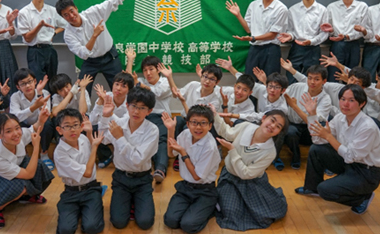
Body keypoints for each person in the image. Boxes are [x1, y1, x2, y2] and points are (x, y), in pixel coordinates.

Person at [296, 84, 380, 215]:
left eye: (351, 100)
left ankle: (361, 199)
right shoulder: (340, 118)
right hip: (348, 163)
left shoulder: (368, 127)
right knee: (316, 149)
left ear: (362, 104)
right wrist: (312, 114)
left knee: (325, 190)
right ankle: (312, 188)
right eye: (343, 99)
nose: (345, 104)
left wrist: (329, 136)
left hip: (366, 173)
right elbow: (318, 140)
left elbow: (350, 156)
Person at [55, 0, 147, 96]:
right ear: (63, 18)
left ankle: (123, 113)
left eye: (71, 11)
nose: (71, 16)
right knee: (82, 91)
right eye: (66, 15)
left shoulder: (93, 12)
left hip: (110, 57)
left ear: (76, 8)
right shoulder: (68, 34)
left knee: (122, 88)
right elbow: (83, 53)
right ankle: (84, 114)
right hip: (90, 62)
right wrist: (94, 36)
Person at [0, 108, 54, 230]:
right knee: (20, 185)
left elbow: (34, 128)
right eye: (8, 131)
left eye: (17, 128)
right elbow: (28, 174)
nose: (16, 133)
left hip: (16, 167)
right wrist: (36, 146)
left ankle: (26, 196)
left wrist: (41, 120)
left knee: (39, 166)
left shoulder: (18, 136)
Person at [212, 108, 289, 230]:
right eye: (272, 120)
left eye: (278, 126)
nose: (272, 126)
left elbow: (246, 174)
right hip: (230, 177)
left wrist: (232, 150)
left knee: (265, 215)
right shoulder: (246, 126)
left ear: (278, 132)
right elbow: (227, 132)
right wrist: (214, 114)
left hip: (253, 182)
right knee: (231, 212)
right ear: (264, 118)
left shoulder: (270, 152)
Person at [98, 87, 158, 230]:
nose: (136, 111)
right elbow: (104, 139)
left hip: (142, 179)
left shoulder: (153, 129)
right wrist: (106, 116)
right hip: (121, 178)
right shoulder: (120, 123)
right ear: (127, 106)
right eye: (133, 106)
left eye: (142, 108)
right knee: (118, 223)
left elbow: (137, 159)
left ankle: (134, 202)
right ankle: (130, 202)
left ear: (149, 111)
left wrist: (119, 138)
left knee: (145, 223)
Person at [161, 105, 220, 234]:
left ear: (210, 126)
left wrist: (183, 152)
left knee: (188, 225)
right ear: (187, 124)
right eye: (194, 122)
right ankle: (195, 209)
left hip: (205, 190)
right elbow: (171, 154)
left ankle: (211, 208)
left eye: (203, 123)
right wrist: (171, 129)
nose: (198, 127)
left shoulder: (210, 146)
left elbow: (197, 176)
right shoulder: (185, 134)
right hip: (186, 188)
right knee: (170, 221)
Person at [226, 0, 288, 77]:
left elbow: (272, 35)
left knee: (270, 82)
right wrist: (238, 15)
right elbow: (248, 29)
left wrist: (253, 38)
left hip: (271, 49)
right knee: (250, 81)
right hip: (254, 49)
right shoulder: (253, 5)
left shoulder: (281, 8)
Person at [53, 109, 105, 234]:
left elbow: (91, 148)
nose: (72, 129)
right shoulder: (59, 152)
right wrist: (95, 147)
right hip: (71, 192)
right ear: (59, 130)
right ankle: (80, 210)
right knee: (66, 230)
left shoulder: (82, 138)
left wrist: (90, 133)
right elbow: (87, 172)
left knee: (92, 227)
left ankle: (90, 207)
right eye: (67, 126)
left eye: (76, 125)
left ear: (81, 126)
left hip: (90, 189)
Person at [125, 50, 171, 183]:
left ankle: (160, 169)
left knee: (161, 140)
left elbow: (157, 93)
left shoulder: (165, 82)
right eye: (145, 70)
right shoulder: (140, 81)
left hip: (161, 117)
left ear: (158, 70)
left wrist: (139, 85)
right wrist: (130, 60)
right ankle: (138, 167)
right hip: (142, 116)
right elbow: (128, 80)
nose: (148, 73)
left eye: (151, 69)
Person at [278, 0, 328, 84]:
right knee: (290, 79)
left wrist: (311, 41)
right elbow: (291, 30)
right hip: (296, 48)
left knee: (311, 81)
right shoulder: (293, 10)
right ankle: (290, 100)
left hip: (313, 49)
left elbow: (324, 34)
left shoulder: (322, 10)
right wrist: (290, 36)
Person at [281, 60, 331, 169]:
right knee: (290, 132)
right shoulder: (296, 87)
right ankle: (296, 156)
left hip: (312, 128)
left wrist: (294, 106)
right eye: (309, 78)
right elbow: (279, 95)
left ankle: (323, 161)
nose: (312, 82)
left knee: (324, 130)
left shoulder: (325, 99)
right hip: (294, 125)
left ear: (324, 81)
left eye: (317, 79)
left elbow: (313, 122)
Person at [18, 0, 67, 85]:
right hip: (35, 51)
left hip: (49, 50)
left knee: (53, 82)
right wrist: (39, 26)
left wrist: (54, 32)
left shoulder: (52, 10)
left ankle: (52, 102)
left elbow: (66, 24)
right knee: (39, 83)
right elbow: (27, 37)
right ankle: (41, 102)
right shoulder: (24, 12)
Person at [10, 68, 55, 170]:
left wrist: (39, 94)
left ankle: (44, 154)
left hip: (40, 124)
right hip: (24, 125)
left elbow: (45, 114)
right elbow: (14, 117)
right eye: (23, 84)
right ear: (18, 87)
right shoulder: (15, 97)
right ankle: (23, 155)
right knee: (14, 125)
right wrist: (32, 108)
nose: (27, 86)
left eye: (29, 82)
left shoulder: (44, 92)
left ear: (35, 81)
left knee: (47, 124)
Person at [325, 0, 368, 82]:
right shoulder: (331, 7)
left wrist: (347, 36)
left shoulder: (362, 6)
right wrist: (330, 32)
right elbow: (329, 29)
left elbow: (364, 30)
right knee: (333, 76)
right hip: (337, 45)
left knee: (352, 77)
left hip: (354, 45)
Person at [89, 72, 134, 168]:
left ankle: (126, 157)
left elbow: (123, 122)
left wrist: (109, 112)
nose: (118, 88)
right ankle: (106, 156)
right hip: (105, 127)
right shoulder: (106, 96)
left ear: (129, 90)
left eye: (123, 86)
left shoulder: (131, 102)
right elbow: (92, 121)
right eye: (116, 84)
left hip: (123, 129)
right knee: (91, 129)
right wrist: (100, 102)